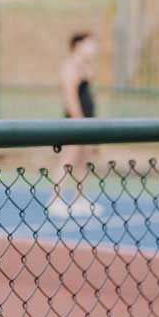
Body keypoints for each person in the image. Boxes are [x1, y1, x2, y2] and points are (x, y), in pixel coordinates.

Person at [50, 31, 102, 220]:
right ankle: (55, 199)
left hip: (87, 120)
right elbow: (71, 97)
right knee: (68, 160)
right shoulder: (70, 66)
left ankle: (79, 199)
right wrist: (78, 120)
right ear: (78, 45)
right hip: (76, 122)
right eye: (90, 44)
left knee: (83, 162)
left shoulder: (84, 67)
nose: (94, 48)